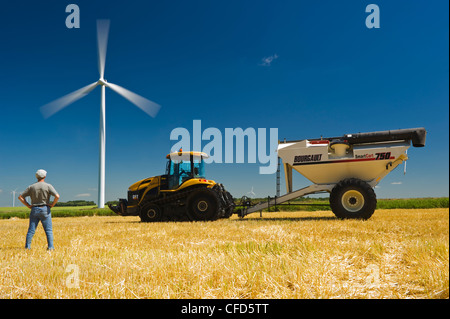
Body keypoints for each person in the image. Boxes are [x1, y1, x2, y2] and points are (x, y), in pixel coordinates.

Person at [18, 169, 60, 250]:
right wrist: (52, 204)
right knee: (48, 230)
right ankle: (51, 247)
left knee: (31, 230)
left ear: (36, 176)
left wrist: (28, 205)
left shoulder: (31, 187)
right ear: (45, 176)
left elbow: (20, 197)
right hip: (45, 209)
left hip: (34, 209)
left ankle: (27, 247)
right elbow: (57, 196)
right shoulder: (48, 186)